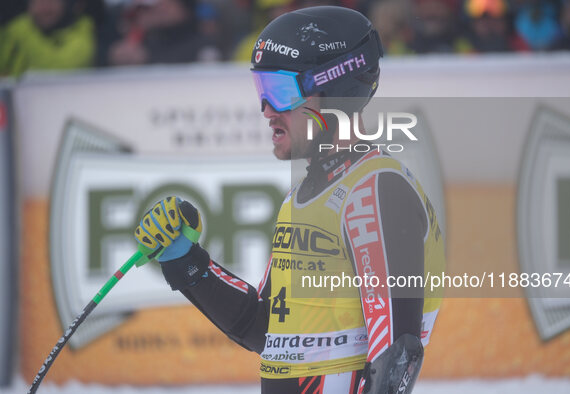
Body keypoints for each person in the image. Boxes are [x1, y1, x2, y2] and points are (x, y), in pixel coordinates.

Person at [133, 6, 445, 393]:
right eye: (261, 92)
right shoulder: (301, 198)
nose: (266, 111)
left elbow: (397, 356)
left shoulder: (377, 190)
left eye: (279, 92)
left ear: (335, 91)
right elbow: (264, 329)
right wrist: (186, 263)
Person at [0, 0, 96, 77]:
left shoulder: (81, 30)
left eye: (52, 1)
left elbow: (59, 72)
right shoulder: (12, 31)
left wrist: (25, 31)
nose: (45, 7)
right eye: (38, 1)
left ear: (67, 4)